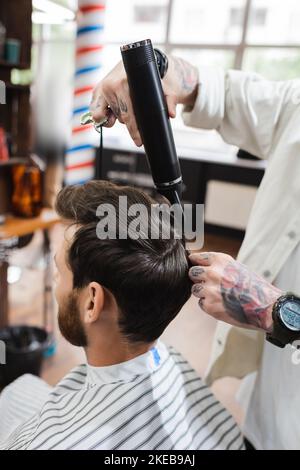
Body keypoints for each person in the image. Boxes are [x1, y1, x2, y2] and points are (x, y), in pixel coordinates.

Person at [90, 52, 300, 450]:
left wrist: (279, 310)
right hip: (268, 405)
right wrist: (158, 69)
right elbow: (230, 95)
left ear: (92, 300)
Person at [0, 181, 243, 450]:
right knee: (17, 391)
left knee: (13, 392)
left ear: (92, 302)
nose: (55, 280)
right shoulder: (169, 361)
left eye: (59, 270)